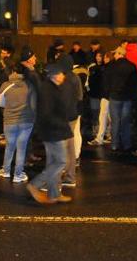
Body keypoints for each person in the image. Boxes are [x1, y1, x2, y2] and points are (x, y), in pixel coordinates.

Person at [27, 64, 73, 205]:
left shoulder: (51, 88)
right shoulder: (48, 90)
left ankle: (54, 194)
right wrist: (61, 125)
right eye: (60, 74)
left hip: (52, 131)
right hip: (53, 132)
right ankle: (35, 184)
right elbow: (46, 114)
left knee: (53, 163)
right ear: (53, 75)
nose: (62, 76)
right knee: (60, 162)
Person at [0, 63, 36, 183]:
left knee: (10, 146)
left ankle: (6, 170)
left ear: (13, 72)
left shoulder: (5, 85)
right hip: (27, 121)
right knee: (21, 147)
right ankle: (18, 174)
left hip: (9, 120)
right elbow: (34, 105)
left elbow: (0, 103)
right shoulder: (30, 86)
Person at [104, 47, 137, 153]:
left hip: (114, 97)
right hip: (127, 98)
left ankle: (115, 144)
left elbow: (106, 81)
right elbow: (135, 83)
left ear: (120, 54)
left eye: (115, 54)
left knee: (115, 122)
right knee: (125, 122)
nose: (114, 55)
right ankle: (126, 144)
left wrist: (107, 93)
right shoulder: (132, 66)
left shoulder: (111, 66)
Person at [57, 54, 83, 188]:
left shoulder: (62, 79)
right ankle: (70, 176)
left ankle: (58, 179)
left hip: (63, 117)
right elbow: (80, 97)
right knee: (70, 147)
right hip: (73, 115)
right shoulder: (76, 78)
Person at [86, 50, 109, 145]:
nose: (98, 58)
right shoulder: (92, 67)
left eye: (100, 56)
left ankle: (106, 133)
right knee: (96, 113)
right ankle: (96, 132)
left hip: (103, 94)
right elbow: (88, 81)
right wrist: (89, 90)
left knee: (104, 115)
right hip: (94, 94)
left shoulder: (106, 68)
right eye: (97, 56)